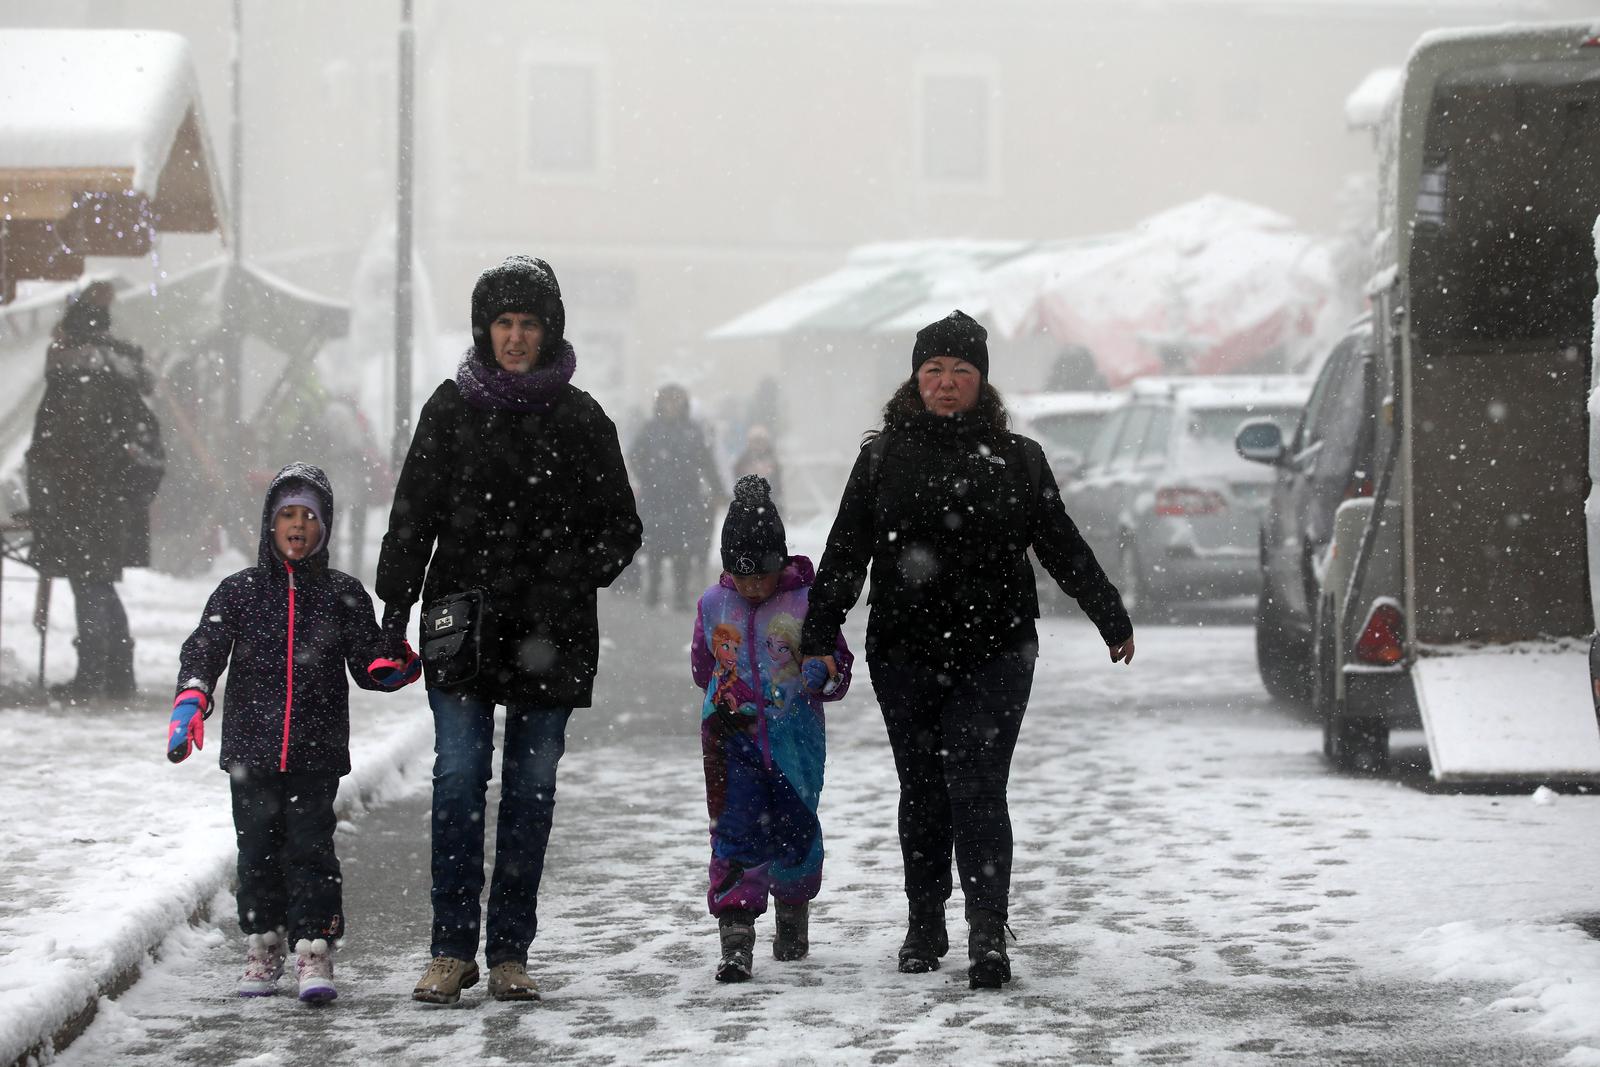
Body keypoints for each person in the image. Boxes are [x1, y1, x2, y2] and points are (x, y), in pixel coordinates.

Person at [798, 310, 1135, 990]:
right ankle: (925, 921)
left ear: (981, 380)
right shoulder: (883, 457)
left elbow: (1059, 543)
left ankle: (987, 929)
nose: (946, 383)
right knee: (922, 790)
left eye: (960, 370)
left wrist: (1108, 612)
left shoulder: (1018, 459)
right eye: (933, 370)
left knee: (979, 785)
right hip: (904, 649)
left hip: (997, 649)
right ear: (915, 379)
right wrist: (819, 629)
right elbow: (845, 551)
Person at [376, 255, 642, 1005]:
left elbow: (622, 527)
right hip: (461, 627)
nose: (516, 337)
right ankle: (450, 949)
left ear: (548, 328)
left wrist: (569, 574)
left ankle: (509, 953)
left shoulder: (583, 418)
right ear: (484, 329)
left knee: (531, 789)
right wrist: (393, 613)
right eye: (504, 323)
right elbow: (411, 518)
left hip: (551, 635)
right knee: (459, 779)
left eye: (529, 323)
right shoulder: (450, 409)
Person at [167, 462, 420, 1002]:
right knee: (256, 849)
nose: (298, 525)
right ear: (270, 524)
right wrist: (193, 694)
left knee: (310, 850)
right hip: (250, 751)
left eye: (309, 516)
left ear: (324, 526)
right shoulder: (239, 592)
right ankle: (263, 946)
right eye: (288, 515)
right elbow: (205, 649)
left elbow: (366, 659)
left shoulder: (341, 593)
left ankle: (314, 951)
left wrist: (389, 665)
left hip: (316, 751)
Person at [689, 475, 853, 982]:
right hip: (729, 741)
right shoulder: (713, 605)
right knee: (734, 833)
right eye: (741, 577)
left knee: (795, 831)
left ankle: (791, 908)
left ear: (780, 562)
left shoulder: (806, 604)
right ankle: (736, 934)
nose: (753, 587)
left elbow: (840, 665)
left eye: (762, 575)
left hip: (794, 745)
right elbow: (702, 667)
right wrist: (726, 694)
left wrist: (823, 672)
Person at [27, 281, 165, 702]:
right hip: (108, 496)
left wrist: (56, 483)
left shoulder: (81, 379)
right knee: (98, 581)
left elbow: (63, 444)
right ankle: (117, 672)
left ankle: (94, 675)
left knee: (89, 583)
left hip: (85, 497)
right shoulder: (114, 375)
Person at [628, 383, 722, 611]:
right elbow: (634, 456)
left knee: (684, 548)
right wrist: (648, 476)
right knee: (654, 547)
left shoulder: (692, 431)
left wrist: (718, 489)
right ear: (660, 403)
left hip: (685, 499)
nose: (672, 405)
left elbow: (707, 461)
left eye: (676, 400)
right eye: (667, 401)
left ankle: (680, 596)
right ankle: (653, 590)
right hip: (655, 498)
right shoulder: (651, 429)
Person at [732, 424, 784, 511]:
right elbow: (737, 479)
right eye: (756, 441)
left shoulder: (772, 459)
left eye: (761, 441)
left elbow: (777, 484)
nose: (758, 445)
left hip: (770, 502)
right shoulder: (743, 460)